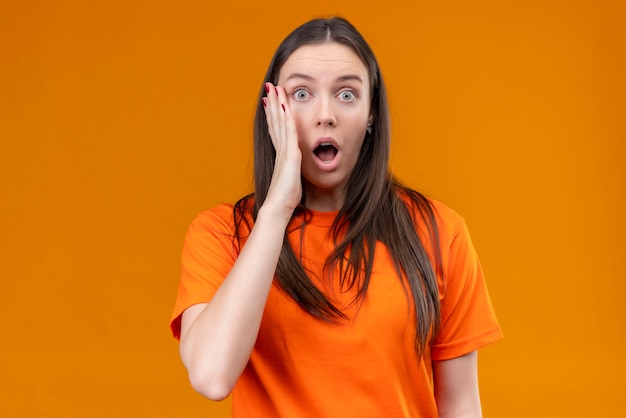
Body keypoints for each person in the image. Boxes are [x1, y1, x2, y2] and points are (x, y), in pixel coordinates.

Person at [170, 16, 502, 417]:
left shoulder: (438, 232)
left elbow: (461, 403)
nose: (325, 114)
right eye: (302, 93)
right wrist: (277, 206)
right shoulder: (223, 233)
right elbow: (210, 375)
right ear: (274, 110)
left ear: (371, 114)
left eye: (346, 94)